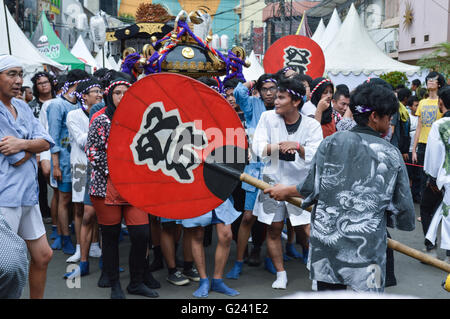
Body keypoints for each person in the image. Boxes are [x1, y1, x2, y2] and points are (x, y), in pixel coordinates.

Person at [264, 81, 416, 292]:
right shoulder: (391, 153)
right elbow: (403, 209)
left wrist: (285, 191)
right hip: (368, 250)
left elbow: (311, 187)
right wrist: (392, 219)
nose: (390, 121)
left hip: (327, 249)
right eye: (388, 116)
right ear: (374, 116)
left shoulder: (331, 142)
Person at [86, 76, 160, 299]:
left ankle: (136, 282)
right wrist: (118, 171)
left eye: (126, 92)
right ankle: (115, 283)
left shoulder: (142, 120)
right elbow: (92, 152)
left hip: (136, 186)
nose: (122, 97)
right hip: (106, 186)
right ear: (110, 95)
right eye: (117, 92)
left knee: (140, 234)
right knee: (110, 236)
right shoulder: (100, 120)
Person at [251, 78, 323, 289]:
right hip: (272, 181)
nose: (275, 100)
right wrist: (280, 146)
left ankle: (317, 273)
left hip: (299, 186)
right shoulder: (267, 118)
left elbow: (316, 155)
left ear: (296, 102)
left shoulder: (311, 125)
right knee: (273, 229)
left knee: (307, 231)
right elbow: (258, 147)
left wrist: (298, 147)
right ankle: (280, 273)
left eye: (281, 97)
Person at [0, 55, 55, 298]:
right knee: (9, 265)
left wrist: (23, 144)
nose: (19, 80)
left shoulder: (22, 106)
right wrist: (31, 148)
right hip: (5, 196)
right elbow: (15, 157)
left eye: (20, 74)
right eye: (11, 74)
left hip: (28, 194)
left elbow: (46, 141)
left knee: (43, 255)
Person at [226, 74, 278, 279]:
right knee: (247, 217)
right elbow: (238, 92)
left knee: (272, 220)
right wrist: (251, 83)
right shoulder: (252, 105)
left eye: (272, 88)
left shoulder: (281, 109)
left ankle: (268, 257)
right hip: (253, 169)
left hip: (274, 169)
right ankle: (239, 261)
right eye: (264, 88)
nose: (268, 93)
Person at [47, 69, 90, 255]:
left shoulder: (80, 104)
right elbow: (53, 137)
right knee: (64, 199)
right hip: (63, 161)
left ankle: (82, 241)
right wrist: (55, 165)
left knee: (79, 202)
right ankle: (64, 237)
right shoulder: (57, 105)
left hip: (80, 162)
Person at [64, 78, 103, 271]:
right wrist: (98, 125)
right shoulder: (73, 115)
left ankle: (94, 245)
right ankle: (80, 247)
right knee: (80, 208)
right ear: (84, 96)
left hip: (98, 166)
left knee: (97, 208)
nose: (98, 94)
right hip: (80, 166)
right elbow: (81, 140)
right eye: (94, 91)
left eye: (100, 91)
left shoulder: (103, 113)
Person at [182, 199, 241, 298]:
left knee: (226, 235)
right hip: (196, 191)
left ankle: (217, 280)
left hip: (218, 189)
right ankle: (203, 280)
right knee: (197, 234)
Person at [423, 86, 450, 264]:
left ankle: (430, 248)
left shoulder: (440, 125)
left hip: (443, 177)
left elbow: (433, 153)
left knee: (427, 207)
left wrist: (432, 177)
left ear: (441, 102)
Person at [29, 72, 56, 224]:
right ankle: (45, 213)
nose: (44, 85)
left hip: (59, 146)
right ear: (36, 87)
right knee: (41, 183)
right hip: (39, 148)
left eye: (46, 82)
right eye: (40, 83)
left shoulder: (60, 102)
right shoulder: (31, 106)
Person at [405, 96, 421, 203]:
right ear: (410, 107)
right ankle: (408, 196)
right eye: (416, 105)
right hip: (409, 150)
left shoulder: (420, 118)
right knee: (409, 174)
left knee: (418, 174)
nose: (418, 107)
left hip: (418, 149)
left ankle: (416, 195)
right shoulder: (408, 118)